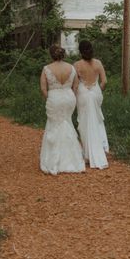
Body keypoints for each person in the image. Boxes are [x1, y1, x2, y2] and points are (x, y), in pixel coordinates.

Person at [39, 44, 85, 175]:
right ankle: (72, 159)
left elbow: (43, 88)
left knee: (54, 125)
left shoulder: (47, 68)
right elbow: (76, 86)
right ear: (63, 54)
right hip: (69, 98)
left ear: (51, 55)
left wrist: (50, 98)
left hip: (54, 97)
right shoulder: (71, 67)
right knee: (67, 123)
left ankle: (53, 161)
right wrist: (70, 97)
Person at [74, 40, 109, 169]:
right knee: (97, 121)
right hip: (95, 93)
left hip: (83, 94)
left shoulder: (77, 65)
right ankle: (100, 147)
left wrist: (75, 94)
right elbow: (104, 81)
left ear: (80, 51)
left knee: (84, 123)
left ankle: (87, 154)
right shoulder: (98, 63)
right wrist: (97, 90)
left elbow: (76, 84)